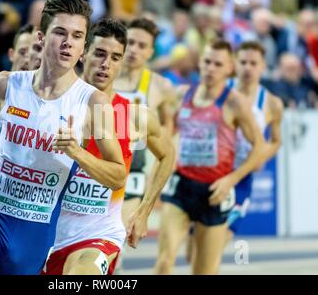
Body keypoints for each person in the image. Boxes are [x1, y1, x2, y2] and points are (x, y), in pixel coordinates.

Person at [0, 0, 127, 275]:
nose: (68, 42)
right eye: (60, 32)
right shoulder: (8, 84)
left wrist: (77, 152)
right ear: (42, 38)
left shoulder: (93, 103)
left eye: (77, 36)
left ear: (84, 47)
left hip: (35, 232)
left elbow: (118, 174)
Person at [40, 18, 174, 275]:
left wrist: (144, 211)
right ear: (83, 53)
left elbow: (167, 155)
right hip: (45, 233)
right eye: (100, 54)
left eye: (115, 57)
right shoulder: (53, 105)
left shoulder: (133, 116)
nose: (106, 64)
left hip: (99, 236)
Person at [156, 39, 264, 275]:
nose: (211, 68)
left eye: (218, 64)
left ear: (229, 69)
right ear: (199, 63)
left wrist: (231, 180)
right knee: (164, 262)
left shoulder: (236, 103)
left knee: (203, 270)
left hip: (215, 191)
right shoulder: (182, 94)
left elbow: (259, 148)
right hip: (181, 187)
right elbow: (166, 135)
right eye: (207, 61)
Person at [186, 41, 284, 265]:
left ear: (262, 67)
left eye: (253, 63)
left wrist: (263, 155)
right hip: (208, 172)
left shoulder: (272, 104)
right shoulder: (218, 89)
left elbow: (277, 141)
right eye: (243, 62)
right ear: (233, 65)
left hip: (240, 179)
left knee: (214, 251)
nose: (247, 68)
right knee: (193, 254)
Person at [113, 17, 174, 228]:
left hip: (133, 171)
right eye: (130, 43)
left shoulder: (161, 87)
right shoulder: (100, 76)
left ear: (150, 52)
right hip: (96, 166)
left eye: (142, 46)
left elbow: (166, 137)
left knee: (116, 241)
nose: (134, 50)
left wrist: (154, 180)